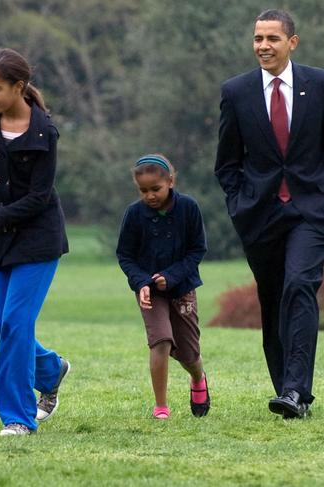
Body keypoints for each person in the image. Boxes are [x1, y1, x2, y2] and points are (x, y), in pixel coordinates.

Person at [215, 9, 324, 418]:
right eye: (258, 38)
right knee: (274, 299)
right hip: (259, 215)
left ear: (292, 43)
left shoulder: (320, 85)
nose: (263, 46)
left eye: (272, 39)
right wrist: (239, 205)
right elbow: (227, 163)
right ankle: (287, 392)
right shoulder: (237, 91)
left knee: (299, 285)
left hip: (312, 212)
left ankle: (296, 391)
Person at [0, 48, 70, 436]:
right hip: (2, 237)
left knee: (17, 324)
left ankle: (18, 418)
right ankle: (52, 370)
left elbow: (37, 199)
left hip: (38, 240)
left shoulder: (44, 132)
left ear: (19, 87)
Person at [116, 154, 210, 420]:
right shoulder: (134, 214)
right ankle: (161, 407)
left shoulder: (189, 208)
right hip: (149, 292)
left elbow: (197, 250)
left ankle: (198, 377)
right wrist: (141, 282)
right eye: (143, 191)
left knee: (189, 353)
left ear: (170, 181)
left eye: (155, 189)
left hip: (182, 288)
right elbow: (125, 255)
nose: (149, 196)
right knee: (161, 341)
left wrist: (172, 276)